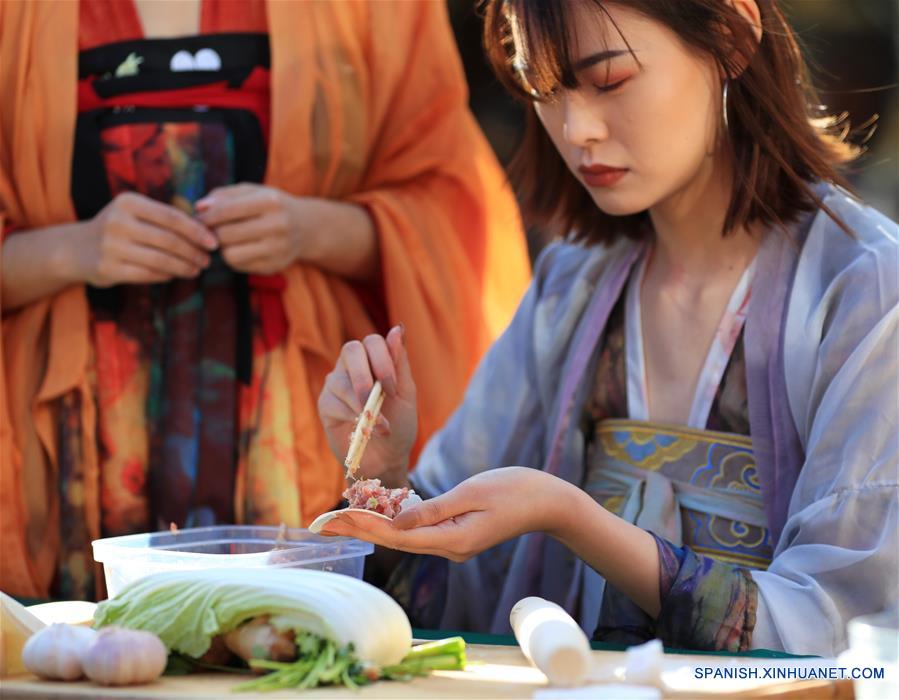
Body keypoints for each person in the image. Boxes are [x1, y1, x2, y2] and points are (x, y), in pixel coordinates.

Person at [317, 0, 898, 655]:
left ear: (733, 36)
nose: (576, 129)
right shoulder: (571, 286)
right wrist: (387, 475)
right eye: (544, 92)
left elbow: (848, 627)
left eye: (609, 80)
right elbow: (454, 591)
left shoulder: (868, 289)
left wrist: (569, 516)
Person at [0, 0, 530, 601]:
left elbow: (456, 217)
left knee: (288, 649)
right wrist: (71, 251)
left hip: (300, 433)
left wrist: (308, 229)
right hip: (67, 445)